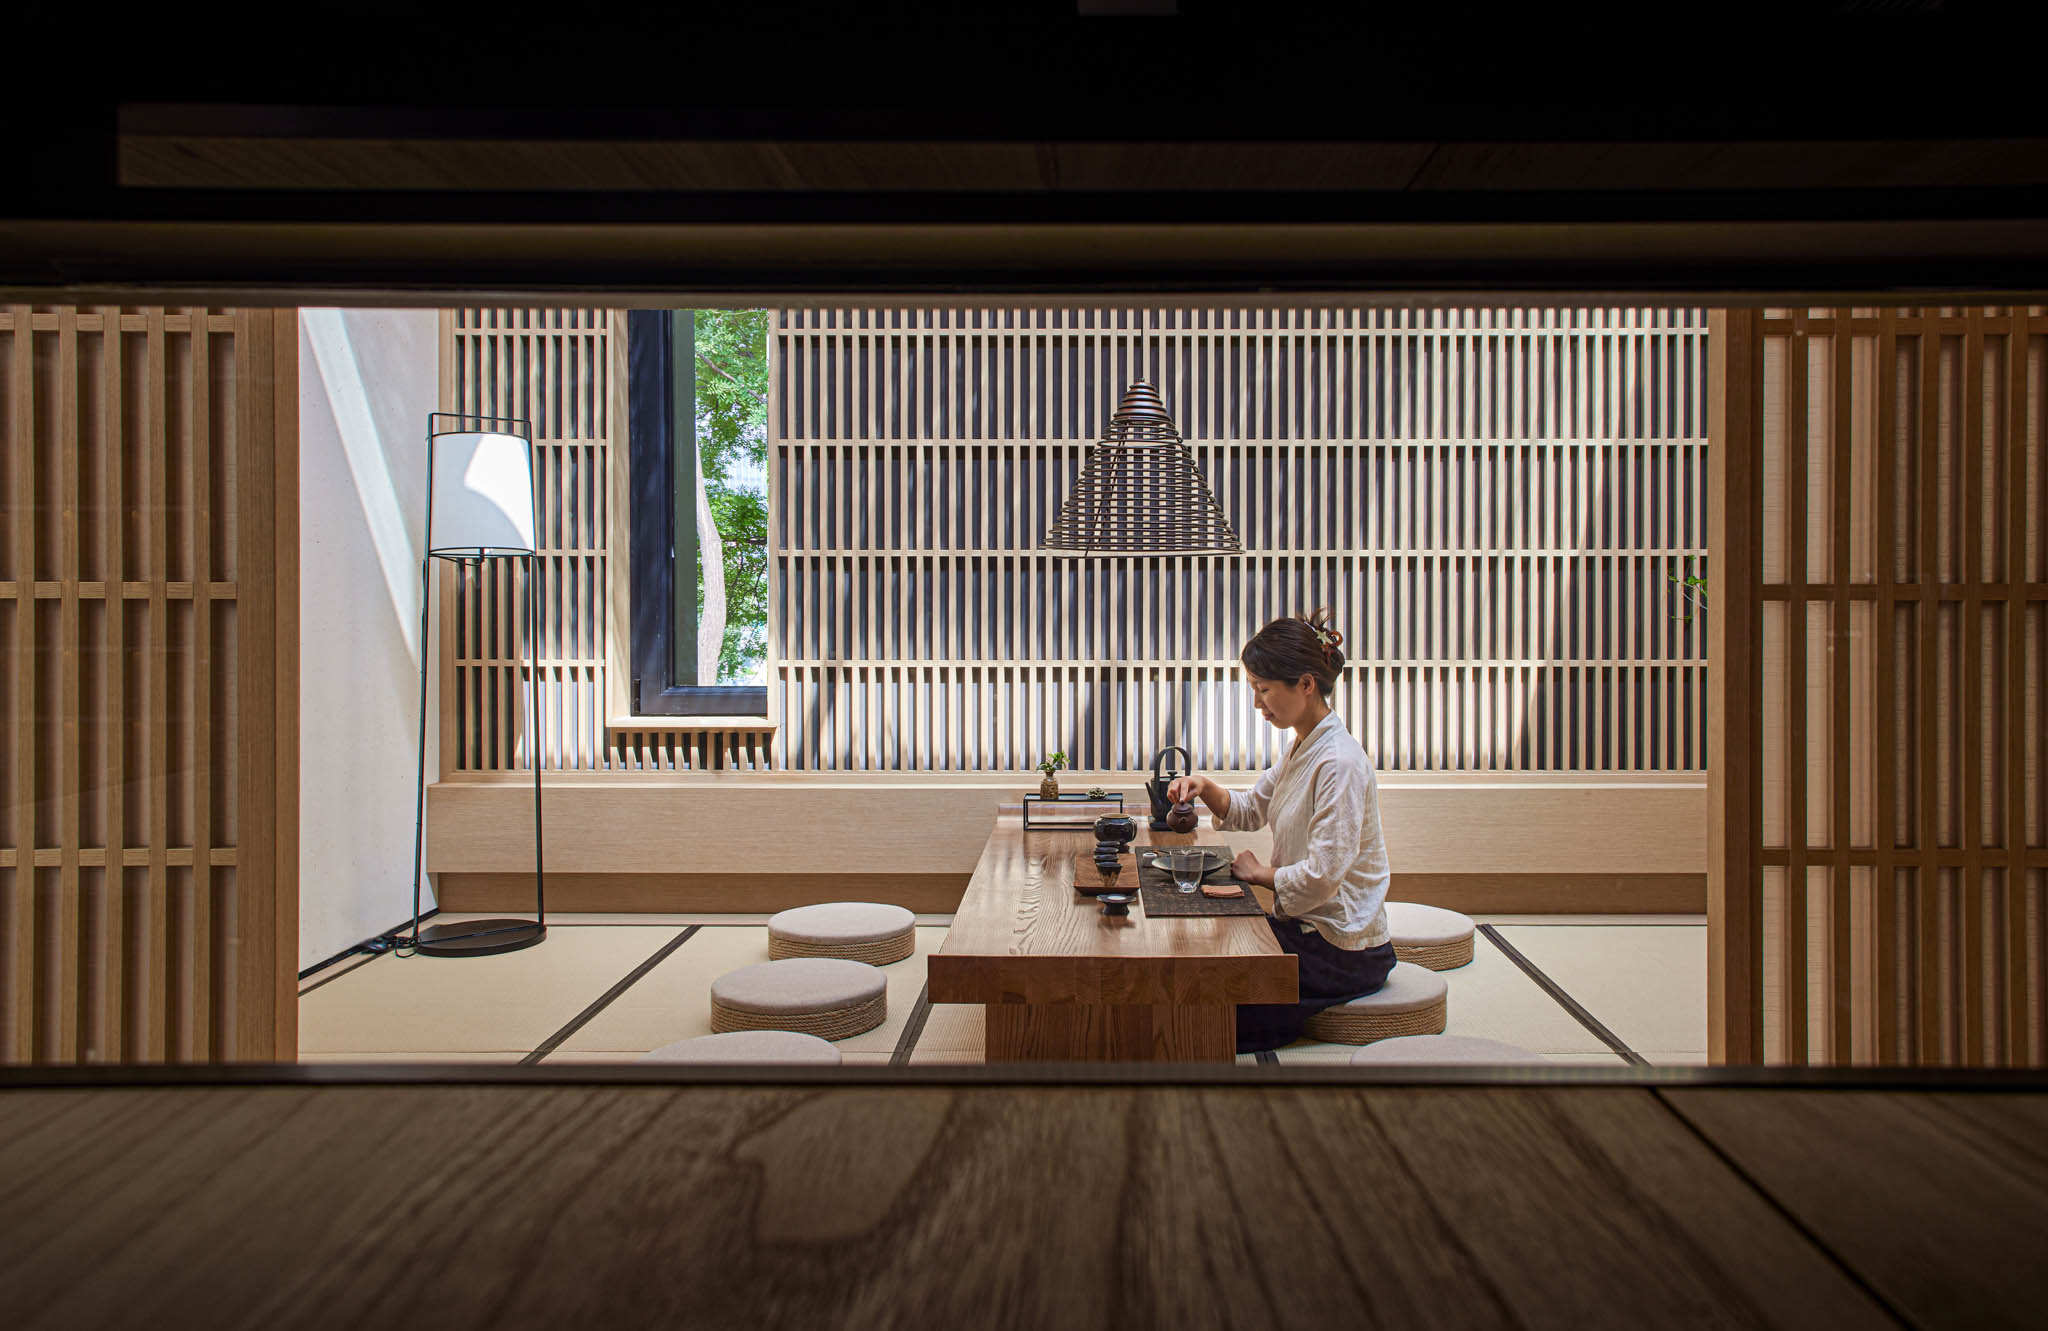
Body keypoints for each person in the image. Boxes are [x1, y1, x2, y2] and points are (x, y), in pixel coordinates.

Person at [1167, 607, 1395, 1053]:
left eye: (1263, 689)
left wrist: (1259, 874)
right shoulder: (1303, 748)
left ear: (1306, 684)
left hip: (1341, 950)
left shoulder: (1339, 762)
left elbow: (1324, 875)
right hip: (1306, 929)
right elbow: (1253, 808)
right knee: (1199, 964)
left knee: (1209, 1010)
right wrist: (1205, 786)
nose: (1257, 703)